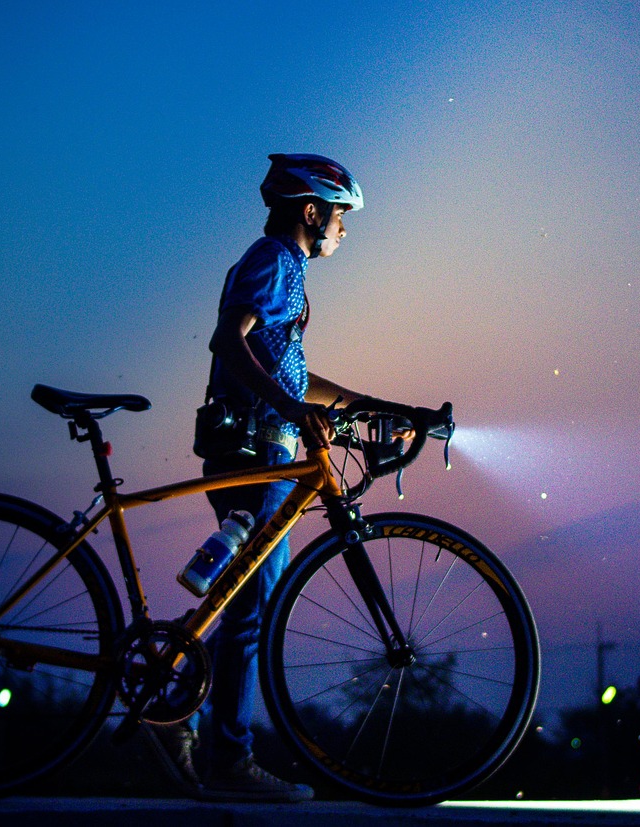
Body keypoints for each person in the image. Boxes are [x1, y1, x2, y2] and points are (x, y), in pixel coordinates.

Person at [146, 154, 367, 802]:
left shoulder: (282, 267)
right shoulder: (274, 260)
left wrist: (368, 404)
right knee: (253, 611)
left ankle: (177, 705)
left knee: (244, 602)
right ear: (311, 211)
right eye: (341, 217)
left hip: (261, 452)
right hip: (260, 457)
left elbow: (290, 369)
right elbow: (229, 339)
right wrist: (297, 409)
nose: (344, 231)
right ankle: (230, 759)